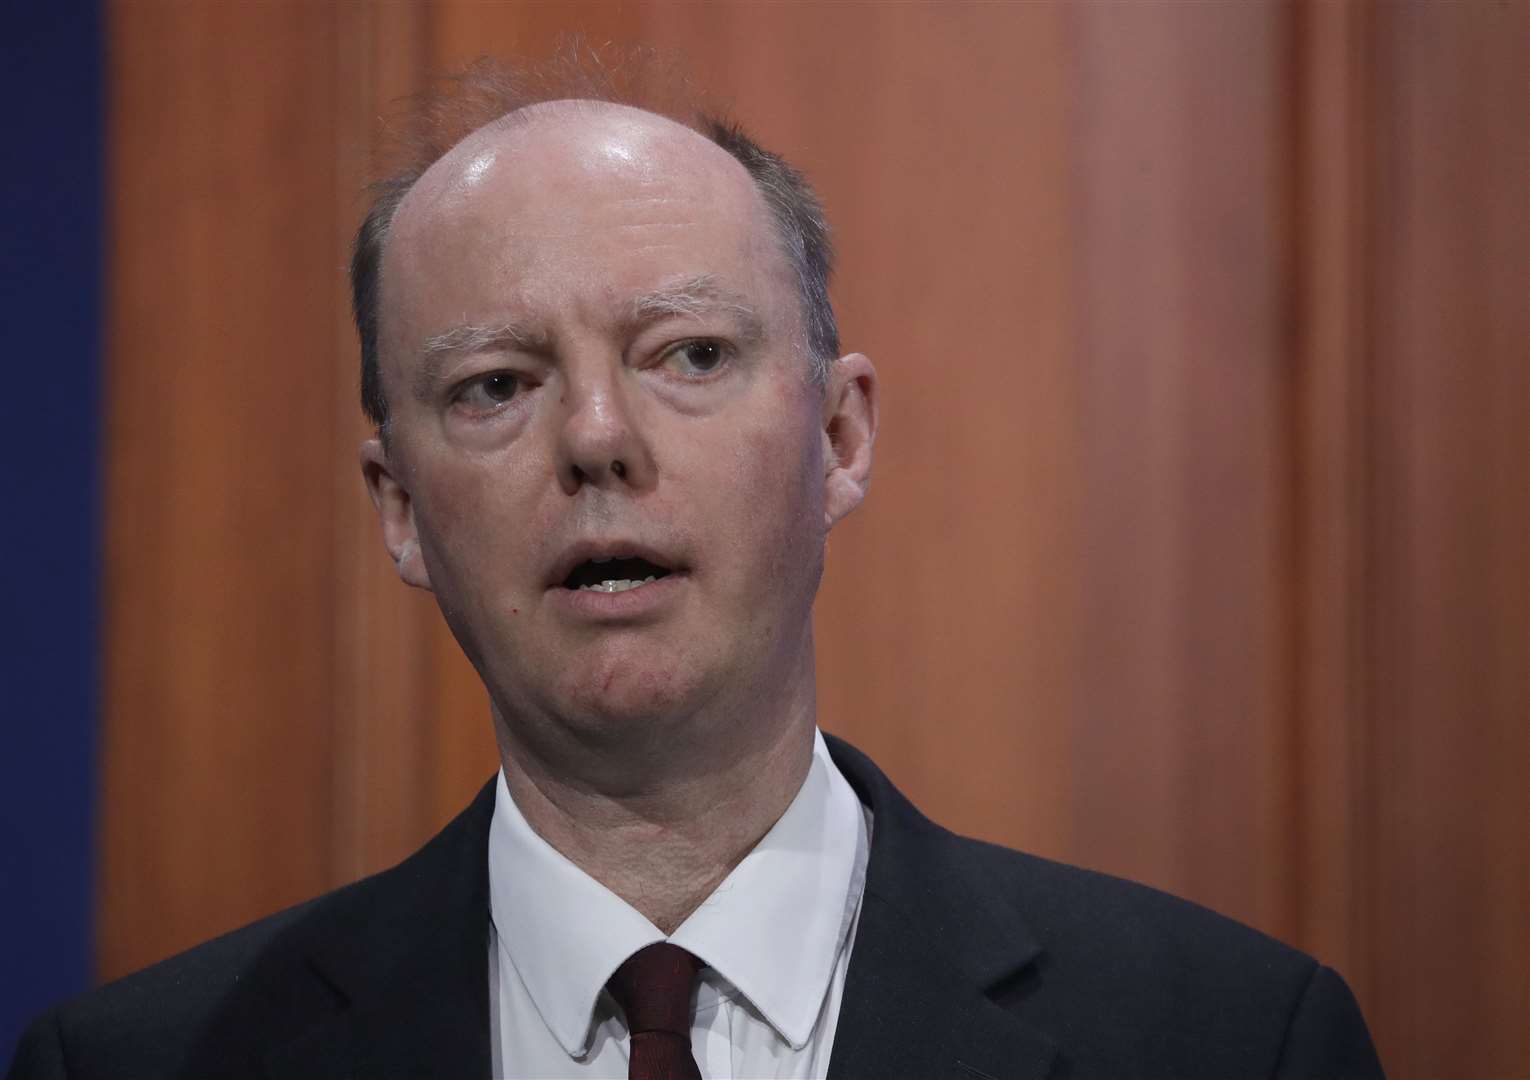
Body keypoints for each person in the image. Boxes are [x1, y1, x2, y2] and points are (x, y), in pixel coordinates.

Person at [8, 64, 1385, 1080]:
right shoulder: (136, 1064)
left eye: (688, 356)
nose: (596, 439)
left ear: (838, 437)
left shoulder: (1229, 1041)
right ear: (401, 510)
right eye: (496, 383)